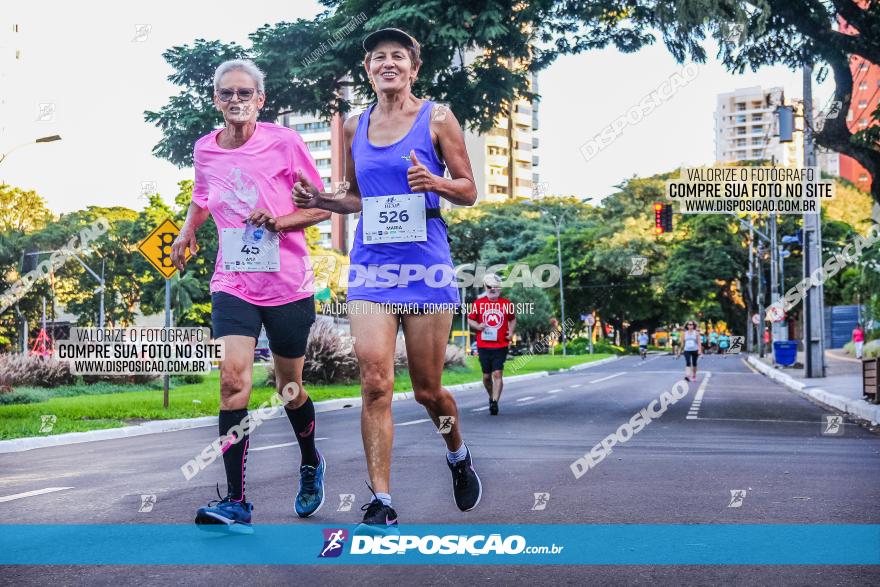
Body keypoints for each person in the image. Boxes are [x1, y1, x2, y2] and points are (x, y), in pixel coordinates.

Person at [292, 28, 481, 532]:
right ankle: (381, 499)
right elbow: (355, 196)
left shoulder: (437, 117)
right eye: (379, 58)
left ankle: (457, 453)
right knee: (375, 382)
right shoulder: (356, 126)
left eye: (399, 56)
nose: (389, 63)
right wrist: (321, 201)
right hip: (372, 267)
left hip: (425, 267)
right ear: (369, 70)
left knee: (428, 391)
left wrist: (435, 182)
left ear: (414, 69)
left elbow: (469, 189)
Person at [171, 59, 331, 533]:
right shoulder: (205, 149)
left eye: (245, 93)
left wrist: (279, 221)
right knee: (232, 382)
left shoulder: (285, 142)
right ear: (216, 99)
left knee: (288, 389)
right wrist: (187, 231)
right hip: (233, 281)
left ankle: (309, 461)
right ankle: (237, 500)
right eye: (227, 93)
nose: (235, 100)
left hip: (286, 283)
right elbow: (202, 197)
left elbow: (320, 206)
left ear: (261, 99)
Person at [467, 273, 516, 415]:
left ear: (500, 289)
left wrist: (511, 332)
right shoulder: (478, 304)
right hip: (483, 345)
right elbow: (470, 320)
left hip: (500, 345)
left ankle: (495, 402)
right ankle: (491, 396)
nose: (492, 289)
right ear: (485, 287)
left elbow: (512, 320)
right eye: (489, 287)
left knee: (497, 373)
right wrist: (477, 326)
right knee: (487, 377)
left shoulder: (506, 304)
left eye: (495, 287)